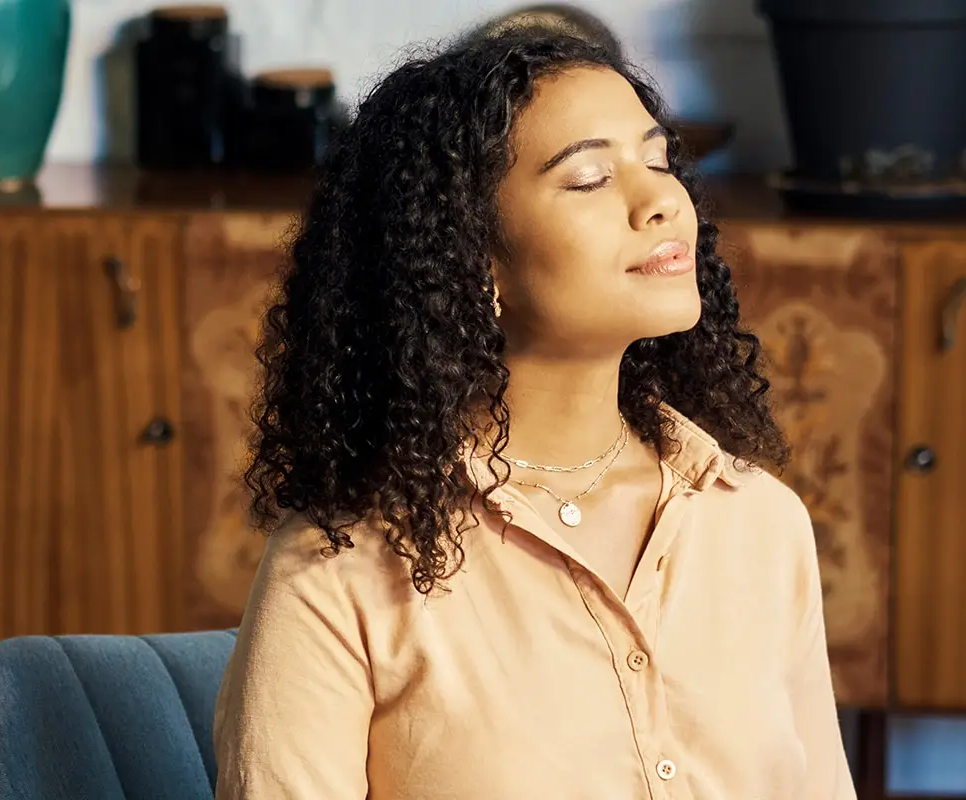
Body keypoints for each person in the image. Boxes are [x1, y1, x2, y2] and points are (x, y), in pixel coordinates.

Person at [213, 29, 856, 800]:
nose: (660, 201)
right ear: (473, 258)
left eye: (658, 160)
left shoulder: (758, 522)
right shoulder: (338, 570)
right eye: (589, 178)